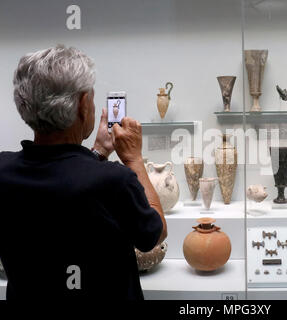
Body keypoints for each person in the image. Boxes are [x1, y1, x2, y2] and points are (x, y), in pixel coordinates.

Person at [0, 45, 167, 300]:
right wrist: (133, 159)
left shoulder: (4, 171)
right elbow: (154, 234)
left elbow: (66, 180)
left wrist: (98, 151)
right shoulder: (114, 180)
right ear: (82, 105)